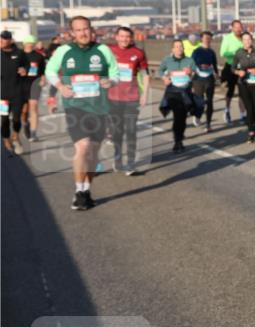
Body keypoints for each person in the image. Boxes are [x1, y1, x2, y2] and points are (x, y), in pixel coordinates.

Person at [44, 16, 118, 210]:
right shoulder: (64, 51)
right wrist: (60, 86)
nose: (83, 33)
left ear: (91, 30)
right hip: (74, 106)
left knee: (93, 151)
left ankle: (86, 190)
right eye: (78, 30)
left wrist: (111, 82)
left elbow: (115, 72)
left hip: (99, 106)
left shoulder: (102, 50)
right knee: (83, 146)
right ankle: (78, 191)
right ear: (72, 33)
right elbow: (50, 71)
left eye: (86, 29)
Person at [108, 26, 149, 175]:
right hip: (113, 97)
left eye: (127, 37)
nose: (125, 39)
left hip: (131, 97)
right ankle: (118, 157)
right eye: (122, 36)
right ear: (116, 37)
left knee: (131, 130)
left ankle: (130, 162)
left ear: (131, 38)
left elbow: (145, 74)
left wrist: (144, 93)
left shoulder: (138, 53)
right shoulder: (109, 51)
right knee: (117, 132)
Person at [158, 40, 197, 152]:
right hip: (173, 92)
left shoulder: (189, 60)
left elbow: (196, 74)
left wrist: (190, 72)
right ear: (172, 49)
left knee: (182, 118)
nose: (179, 48)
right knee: (177, 116)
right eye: (176, 46)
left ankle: (179, 137)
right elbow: (160, 71)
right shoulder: (167, 60)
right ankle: (177, 141)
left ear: (183, 49)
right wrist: (165, 78)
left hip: (185, 92)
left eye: (181, 46)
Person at [232, 31, 255, 142]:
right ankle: (251, 131)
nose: (247, 42)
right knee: (249, 108)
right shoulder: (238, 53)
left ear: (252, 40)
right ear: (242, 41)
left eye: (249, 39)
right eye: (245, 40)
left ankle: (254, 125)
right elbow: (232, 68)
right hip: (244, 84)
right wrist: (238, 72)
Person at [1, 30, 27, 156]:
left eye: (4, 39)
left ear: (10, 40)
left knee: (17, 118)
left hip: (17, 92)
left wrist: (24, 70)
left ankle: (15, 136)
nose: (1, 40)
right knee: (4, 119)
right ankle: (6, 141)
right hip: (2, 94)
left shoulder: (19, 53)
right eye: (0, 38)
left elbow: (28, 66)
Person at [19, 34, 46, 142]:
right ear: (24, 44)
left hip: (34, 83)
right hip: (21, 85)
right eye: (28, 43)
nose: (30, 45)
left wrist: (43, 80)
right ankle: (26, 124)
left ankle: (33, 133)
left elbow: (43, 71)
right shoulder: (19, 56)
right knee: (24, 111)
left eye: (32, 43)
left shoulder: (39, 56)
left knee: (33, 107)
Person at [219, 20, 246, 124]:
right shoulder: (227, 38)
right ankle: (227, 110)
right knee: (230, 91)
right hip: (231, 67)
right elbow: (222, 53)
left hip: (242, 68)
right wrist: (234, 53)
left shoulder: (244, 38)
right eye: (236, 27)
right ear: (232, 28)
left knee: (242, 92)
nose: (239, 29)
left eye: (240, 27)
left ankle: (243, 114)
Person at [190, 30, 218, 131]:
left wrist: (217, 75)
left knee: (210, 101)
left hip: (209, 78)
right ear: (201, 39)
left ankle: (208, 124)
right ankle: (197, 115)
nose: (207, 40)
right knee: (200, 101)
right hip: (198, 79)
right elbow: (191, 64)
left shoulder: (211, 52)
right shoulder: (196, 51)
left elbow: (214, 65)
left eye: (209, 38)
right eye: (205, 38)